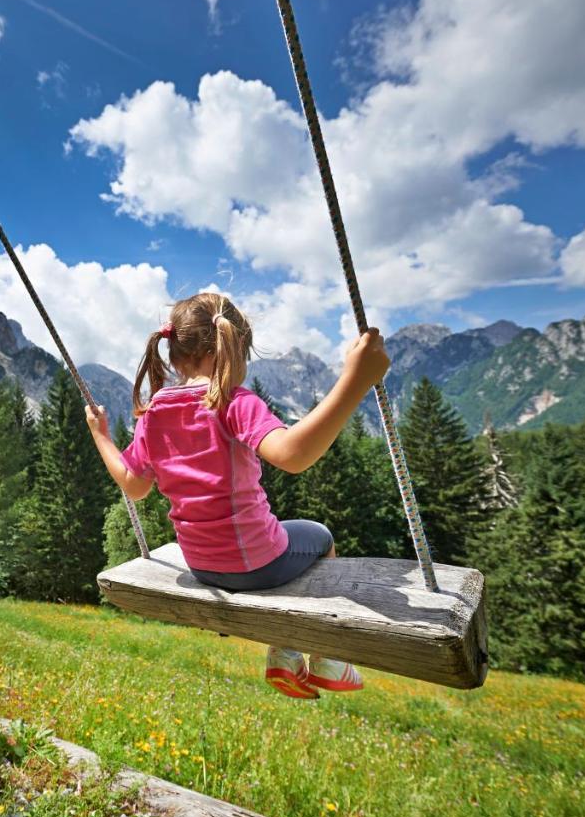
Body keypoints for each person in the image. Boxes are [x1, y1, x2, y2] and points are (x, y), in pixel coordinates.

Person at [85, 293, 390, 698]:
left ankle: (287, 653)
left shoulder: (155, 412)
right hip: (257, 562)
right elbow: (293, 455)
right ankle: (320, 654)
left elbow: (134, 485)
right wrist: (356, 378)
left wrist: (101, 436)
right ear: (233, 347)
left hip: (201, 565)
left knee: (280, 533)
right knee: (320, 536)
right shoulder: (230, 400)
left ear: (175, 355)